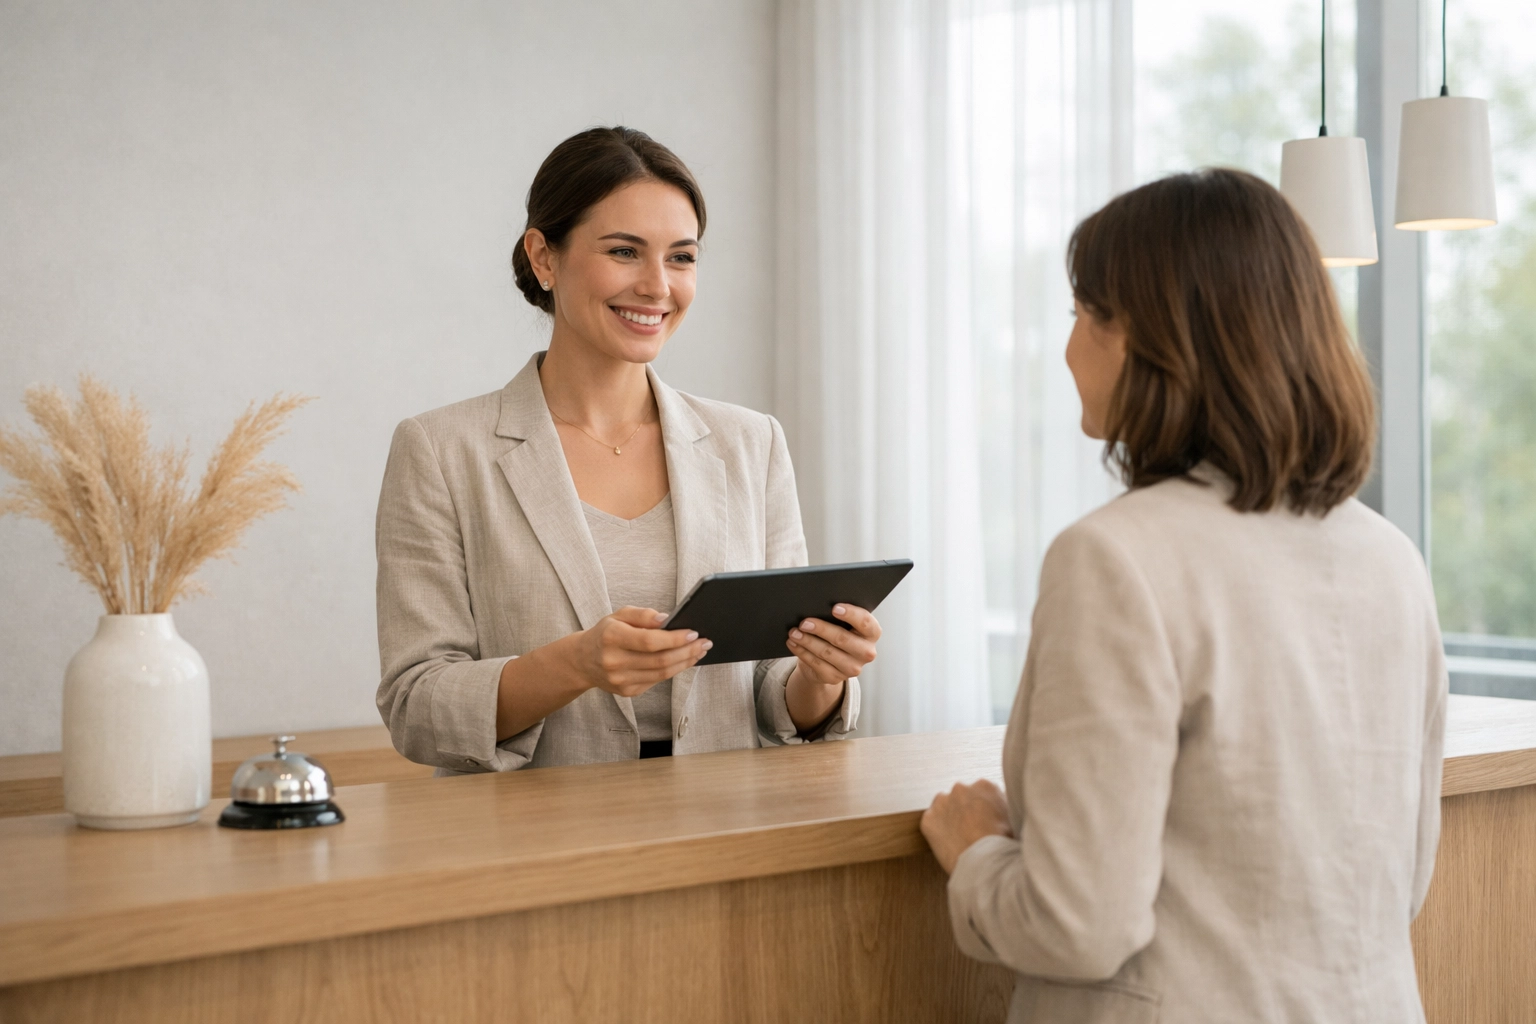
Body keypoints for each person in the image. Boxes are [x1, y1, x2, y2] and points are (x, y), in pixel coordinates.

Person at [920, 169, 1446, 1023]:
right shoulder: (1391, 558)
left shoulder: (1116, 559)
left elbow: (1078, 926)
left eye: (1083, 314)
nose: (1066, 348)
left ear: (1144, 336)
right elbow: (1401, 880)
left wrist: (978, 853)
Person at [376, 127, 880, 773]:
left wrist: (822, 675)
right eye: (624, 251)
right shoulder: (441, 452)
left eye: (682, 257)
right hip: (535, 847)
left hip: (724, 834)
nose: (657, 286)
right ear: (544, 257)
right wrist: (576, 664)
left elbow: (775, 699)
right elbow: (416, 707)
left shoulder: (751, 443)